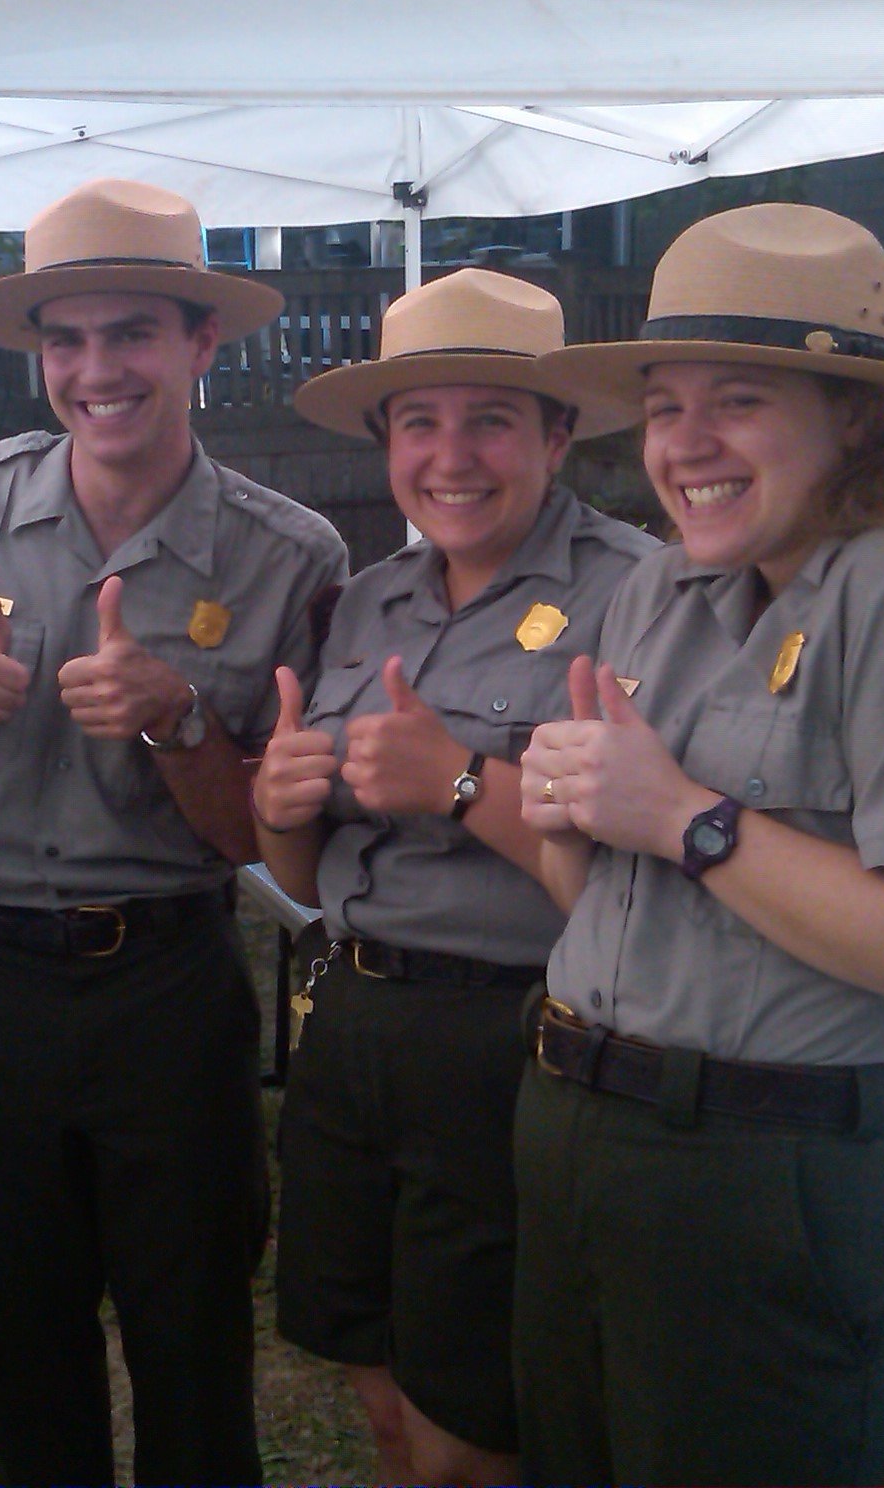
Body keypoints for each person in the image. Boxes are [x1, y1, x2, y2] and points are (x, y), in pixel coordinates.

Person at [515, 203, 884, 1486]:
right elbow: (595, 901)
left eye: (738, 400)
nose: (685, 444)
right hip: (576, 1134)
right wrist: (567, 810)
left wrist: (683, 817)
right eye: (664, 406)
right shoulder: (660, 588)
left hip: (760, 1182)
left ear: (856, 420)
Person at [0, 177, 348, 1487]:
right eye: (64, 340)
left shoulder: (289, 556)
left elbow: (266, 839)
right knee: (24, 1347)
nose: (94, 370)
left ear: (199, 345)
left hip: (170, 982)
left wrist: (181, 721)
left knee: (192, 1347)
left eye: (130, 334)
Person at [255, 267, 651, 1485]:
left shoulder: (641, 596)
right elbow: (311, 872)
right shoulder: (366, 600)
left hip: (512, 1038)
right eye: (417, 422)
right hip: (351, 1024)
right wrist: (275, 811)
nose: (450, 455)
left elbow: (639, 901)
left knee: (472, 1430)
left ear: (558, 432)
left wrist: (462, 783)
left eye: (490, 419)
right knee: (378, 1392)